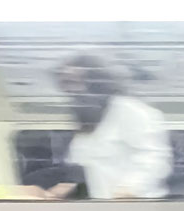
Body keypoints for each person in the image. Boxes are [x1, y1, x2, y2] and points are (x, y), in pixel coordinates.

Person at [51, 53, 172, 200]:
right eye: (66, 84)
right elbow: (83, 164)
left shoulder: (131, 111)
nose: (71, 91)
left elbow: (154, 157)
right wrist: (68, 185)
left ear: (94, 82)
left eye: (75, 82)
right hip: (102, 206)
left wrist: (131, 188)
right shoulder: (86, 119)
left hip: (137, 206)